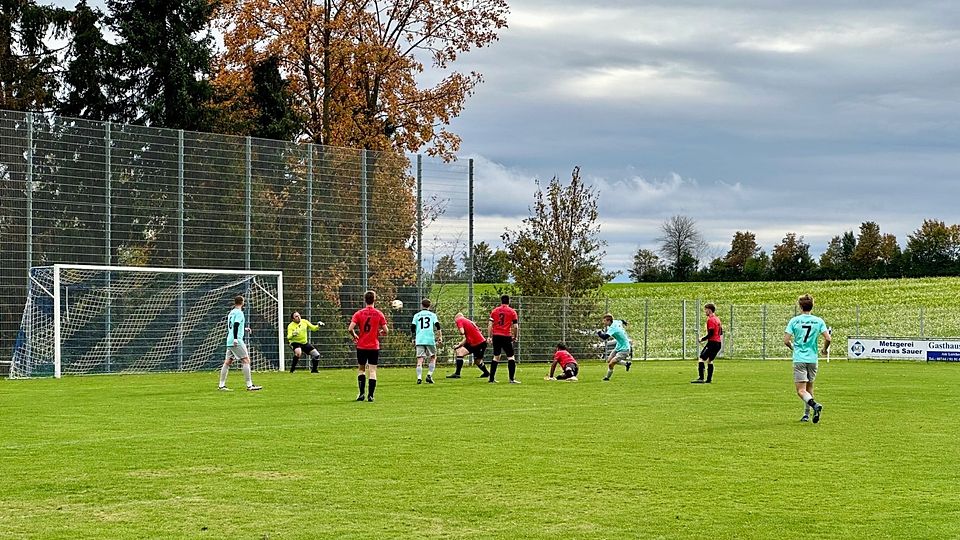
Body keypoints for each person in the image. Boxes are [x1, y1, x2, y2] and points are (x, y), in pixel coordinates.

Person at [784, 294, 831, 423]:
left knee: (801, 390)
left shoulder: (794, 321)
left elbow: (786, 340)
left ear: (800, 306)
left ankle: (815, 406)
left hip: (800, 358)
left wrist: (793, 347)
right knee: (809, 388)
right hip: (812, 358)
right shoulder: (818, 321)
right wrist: (824, 349)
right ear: (812, 306)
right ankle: (807, 415)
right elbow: (828, 338)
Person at [348, 290, 389, 402]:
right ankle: (370, 395)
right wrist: (381, 332)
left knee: (361, 369)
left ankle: (361, 394)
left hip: (361, 345)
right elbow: (386, 330)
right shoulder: (379, 314)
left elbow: (350, 328)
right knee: (372, 370)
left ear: (365, 300)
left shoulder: (359, 313)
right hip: (374, 346)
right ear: (374, 299)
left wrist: (355, 335)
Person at [218, 295, 262, 391]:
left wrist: (244, 328)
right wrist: (235, 338)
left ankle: (221, 385)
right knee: (246, 360)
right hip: (236, 340)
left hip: (229, 340)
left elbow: (233, 325)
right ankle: (250, 385)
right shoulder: (239, 313)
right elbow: (236, 324)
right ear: (242, 302)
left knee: (227, 362)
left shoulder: (231, 312)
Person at [487, 294, 520, 384]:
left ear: (501, 301)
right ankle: (511, 379)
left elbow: (490, 324)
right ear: (509, 301)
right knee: (511, 357)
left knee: (496, 356)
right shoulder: (512, 312)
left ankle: (491, 379)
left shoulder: (495, 311)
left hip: (496, 336)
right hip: (506, 336)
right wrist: (515, 336)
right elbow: (516, 326)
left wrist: (489, 336)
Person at [448, 313, 491, 379]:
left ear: (456, 318)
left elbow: (462, 332)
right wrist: (458, 345)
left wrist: (460, 331)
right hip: (477, 342)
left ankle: (486, 373)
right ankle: (457, 373)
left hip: (478, 343)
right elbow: (467, 338)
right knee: (461, 352)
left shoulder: (459, 320)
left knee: (477, 360)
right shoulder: (469, 321)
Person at [411, 299, 442, 384]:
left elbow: (413, 327)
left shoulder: (416, 315)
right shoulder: (432, 315)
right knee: (433, 357)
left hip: (419, 339)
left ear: (422, 305)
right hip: (429, 339)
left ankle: (419, 378)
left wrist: (413, 338)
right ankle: (429, 374)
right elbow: (437, 326)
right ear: (429, 306)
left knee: (420, 359)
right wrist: (440, 336)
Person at [692, 303, 722, 384]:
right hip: (718, 343)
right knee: (710, 360)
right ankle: (708, 379)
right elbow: (721, 332)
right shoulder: (717, 319)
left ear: (709, 310)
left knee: (701, 358)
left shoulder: (711, 320)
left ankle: (701, 378)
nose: (705, 311)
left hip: (712, 343)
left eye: (705, 309)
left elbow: (711, 333)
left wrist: (702, 339)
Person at [598, 314, 632, 381]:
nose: (603, 322)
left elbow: (605, 337)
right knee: (609, 360)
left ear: (609, 321)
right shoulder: (616, 321)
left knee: (611, 363)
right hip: (618, 346)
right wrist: (625, 323)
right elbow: (622, 321)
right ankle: (626, 364)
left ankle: (607, 378)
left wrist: (599, 333)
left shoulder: (612, 328)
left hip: (625, 348)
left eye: (604, 321)